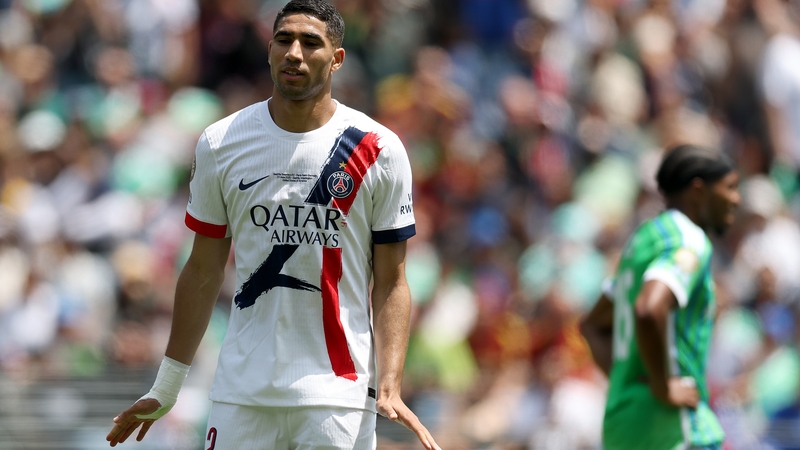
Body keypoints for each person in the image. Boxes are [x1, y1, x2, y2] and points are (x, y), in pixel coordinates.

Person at [106, 1, 440, 449]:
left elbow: (392, 281)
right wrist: (166, 387)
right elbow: (203, 271)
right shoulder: (221, 142)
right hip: (242, 394)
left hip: (336, 396)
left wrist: (392, 383)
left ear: (337, 59)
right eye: (284, 40)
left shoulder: (378, 148)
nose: (294, 53)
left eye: (310, 42)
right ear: (268, 50)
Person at [580, 144, 741, 450]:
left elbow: (593, 325)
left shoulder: (643, 241)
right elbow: (649, 308)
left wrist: (626, 383)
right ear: (698, 191)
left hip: (624, 424)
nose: (736, 199)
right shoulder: (688, 239)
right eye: (730, 187)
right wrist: (662, 386)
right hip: (671, 425)